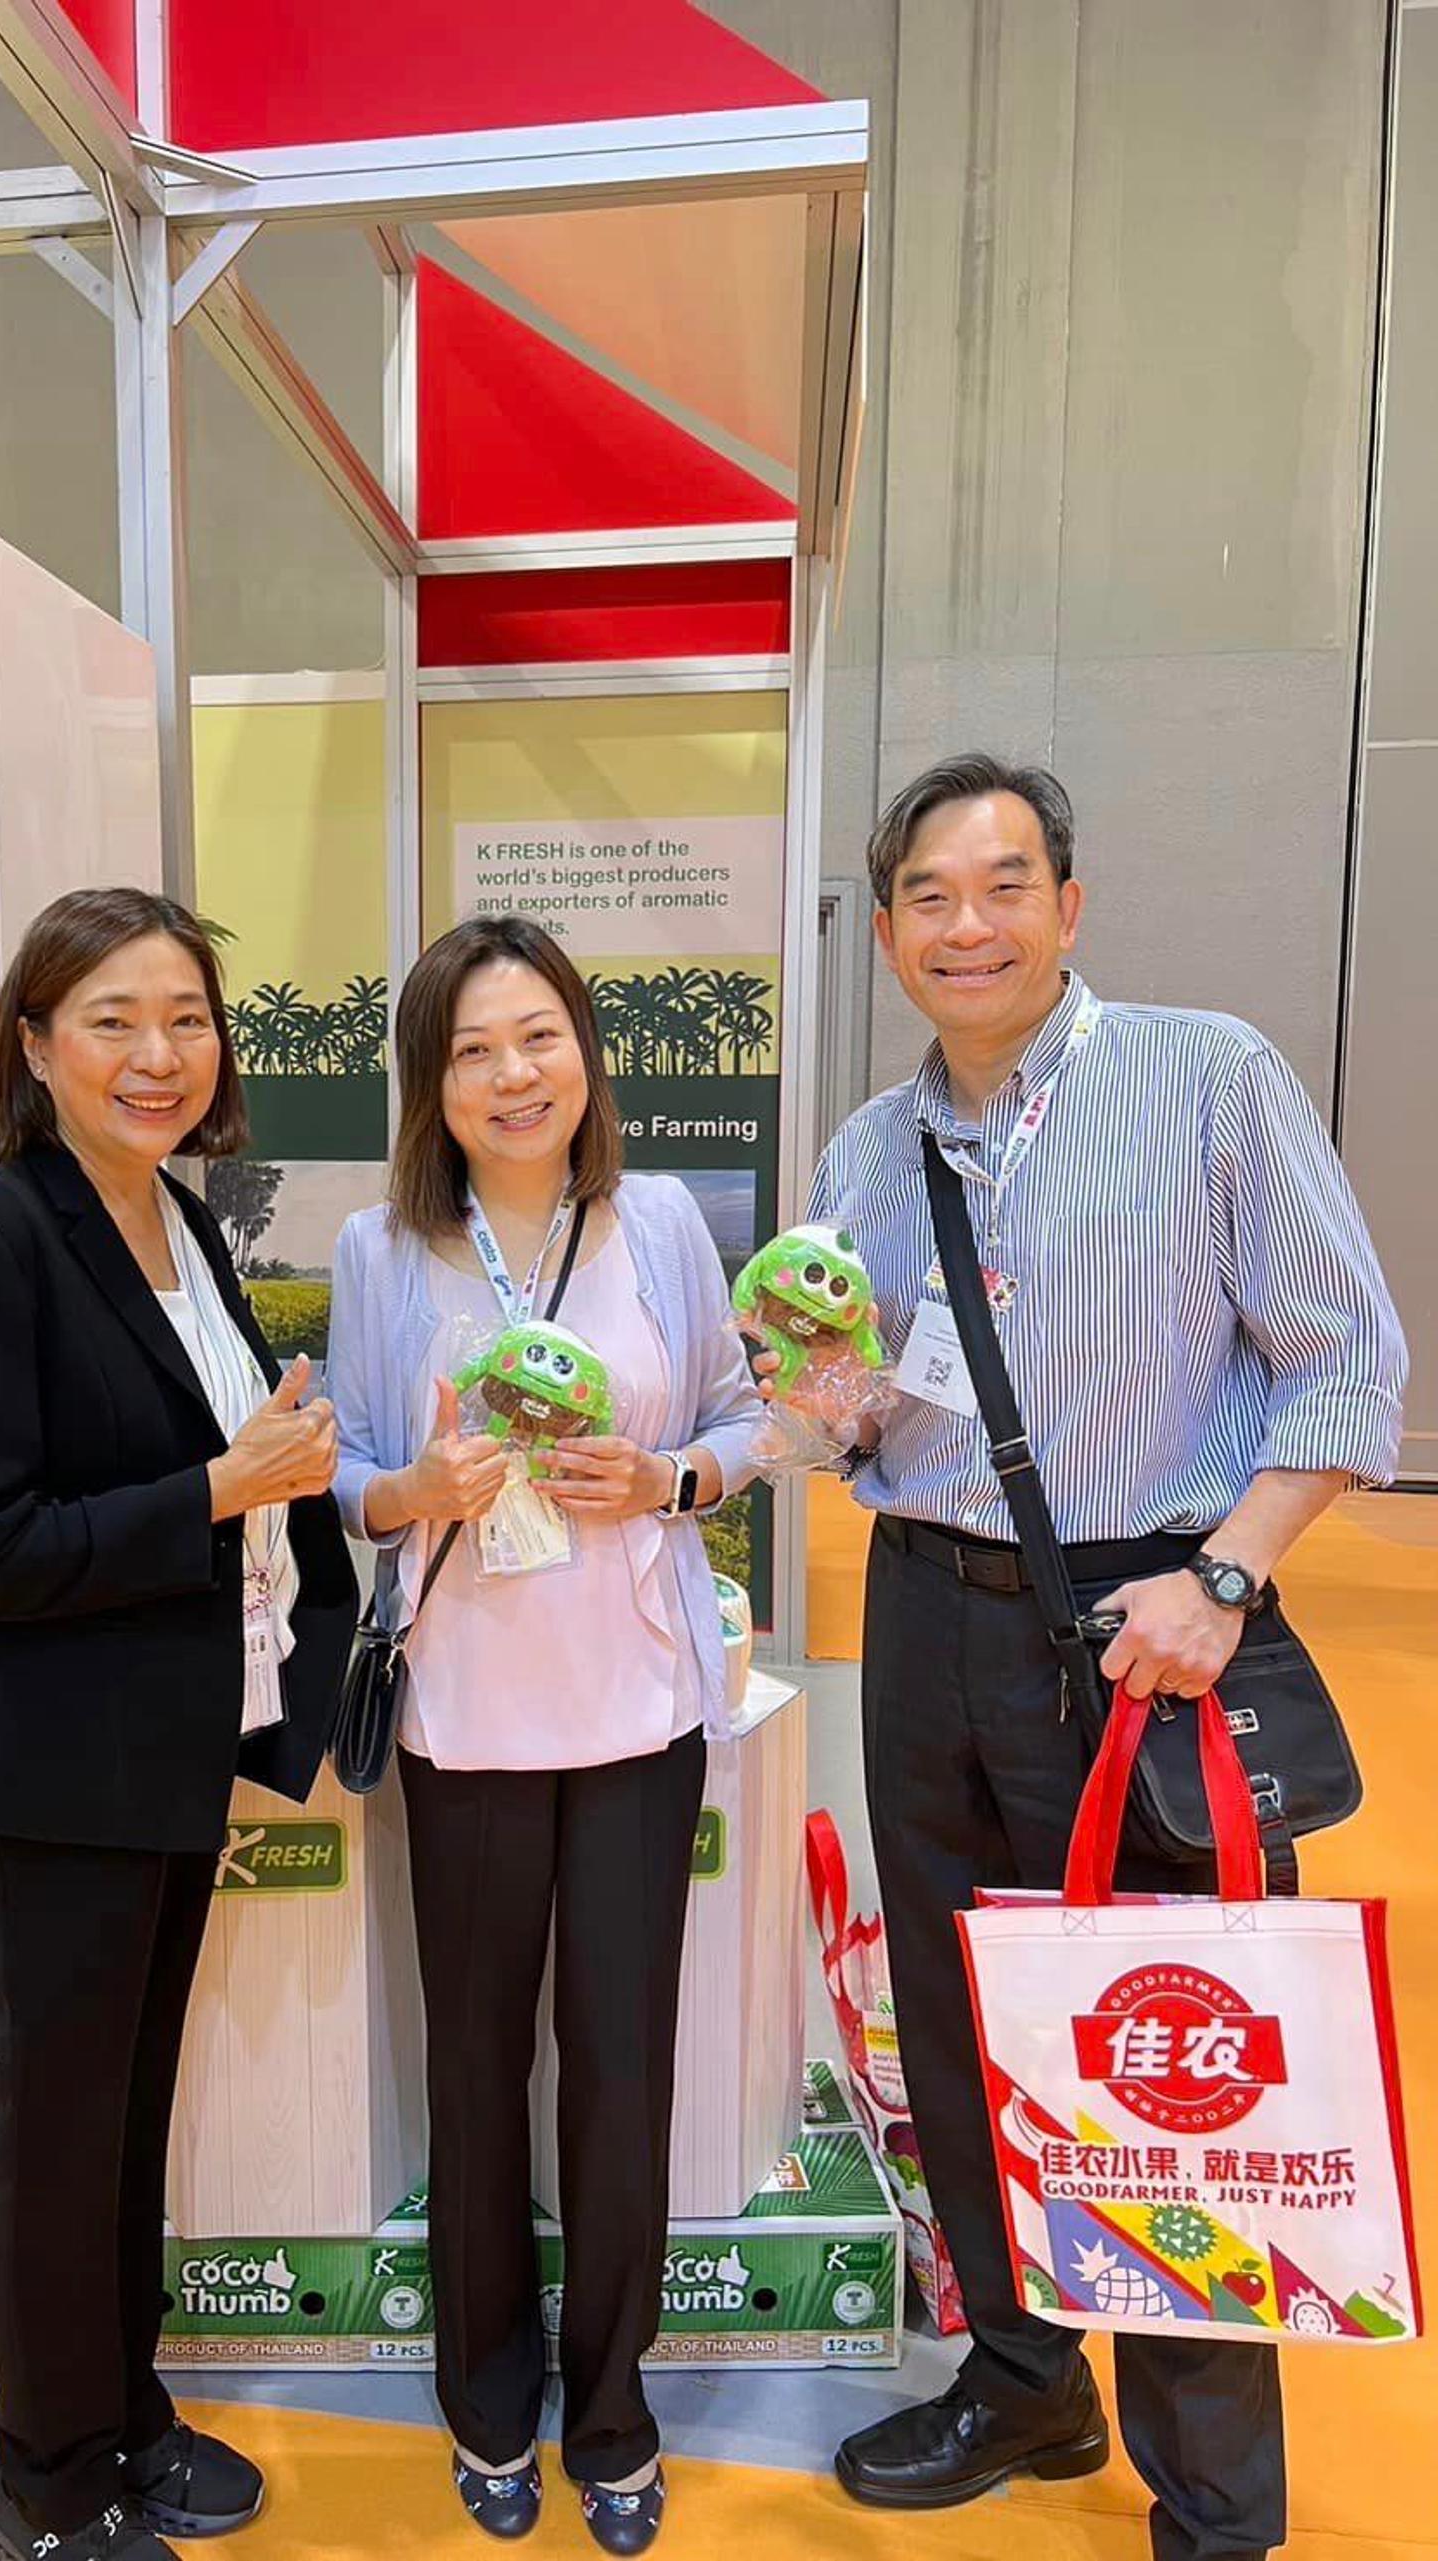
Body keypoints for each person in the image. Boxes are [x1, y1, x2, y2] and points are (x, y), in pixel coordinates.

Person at [792, 756, 1407, 2561]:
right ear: (890, 925)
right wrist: (798, 1381)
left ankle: (1215, 2507)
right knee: (966, 2015)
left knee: (1178, 2041)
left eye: (1004, 885)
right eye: (927, 893)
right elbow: (854, 1416)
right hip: (923, 1615)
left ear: (1070, 904)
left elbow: (1348, 1364)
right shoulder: (868, 1147)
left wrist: (1227, 1574)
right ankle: (1023, 2374)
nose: (964, 924)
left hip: (1155, 1620)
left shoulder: (1208, 1078)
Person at [0, 887, 357, 2561]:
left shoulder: (178, 1220)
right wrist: (222, 1481)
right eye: (112, 1019)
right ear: (33, 1043)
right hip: (52, 1773)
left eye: (186, 1017)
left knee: (130, 2114)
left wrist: (270, 1453)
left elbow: (194, 1469)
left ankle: (126, 2410)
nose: (159, 1054)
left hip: (165, 1754)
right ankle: (44, 2476)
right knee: (59, 2128)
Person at [327, 915, 762, 2555]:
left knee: (622, 2063)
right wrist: (408, 1490)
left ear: (587, 1053)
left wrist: (673, 1479)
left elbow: (736, 1416)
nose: (516, 1077)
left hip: (641, 1704)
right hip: (466, 1710)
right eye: (475, 1051)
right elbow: (354, 1473)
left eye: (542, 1039)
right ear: (431, 1085)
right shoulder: (383, 1251)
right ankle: (485, 2400)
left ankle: (614, 2404)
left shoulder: (655, 1218)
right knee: (477, 2060)